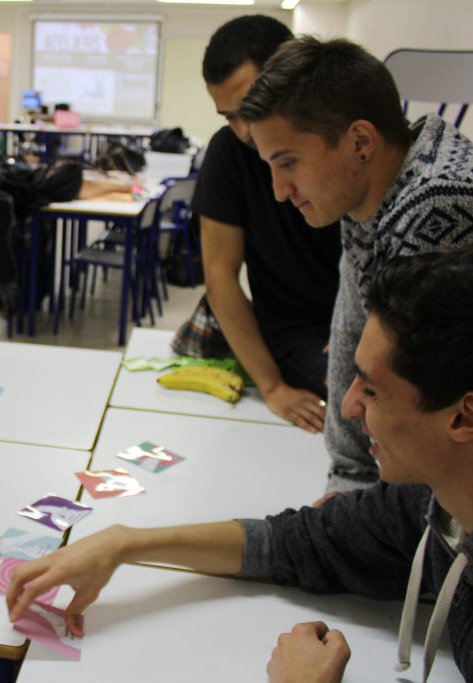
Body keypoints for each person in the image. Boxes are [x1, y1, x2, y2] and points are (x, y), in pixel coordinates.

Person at [7, 245, 473, 682]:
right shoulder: (430, 500)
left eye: (372, 389)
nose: (350, 407)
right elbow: (293, 541)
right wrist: (123, 542)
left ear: (467, 417)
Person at [239, 36, 473, 493]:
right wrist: (345, 480)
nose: (279, 190)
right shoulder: (373, 187)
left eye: (288, 163)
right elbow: (349, 339)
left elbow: (426, 430)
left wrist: (350, 501)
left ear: (360, 141)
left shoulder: (440, 205)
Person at [189, 15, 342, 433]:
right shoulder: (230, 155)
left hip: (358, 322)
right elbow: (220, 277)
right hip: (296, 332)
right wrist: (272, 387)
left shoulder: (341, 141)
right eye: (229, 118)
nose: (244, 131)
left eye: (250, 110)